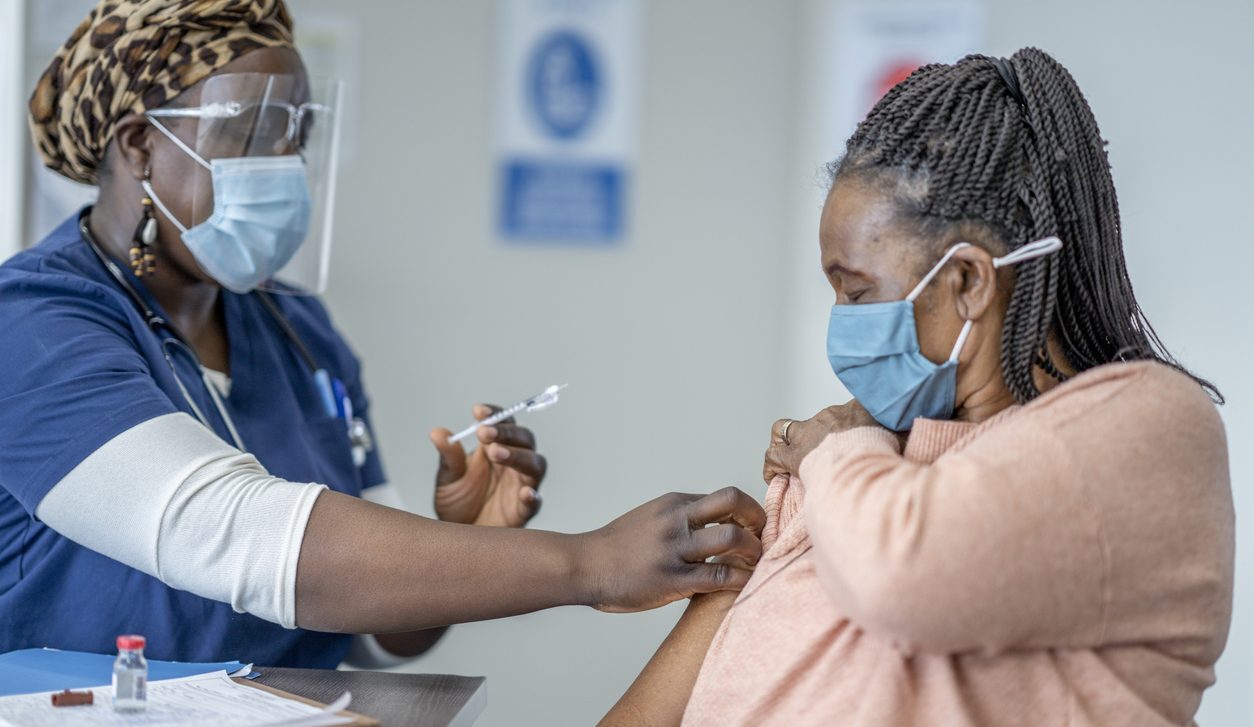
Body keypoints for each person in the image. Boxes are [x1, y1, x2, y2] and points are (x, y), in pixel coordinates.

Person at [0, 0, 767, 669]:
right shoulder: (32, 326)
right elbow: (239, 535)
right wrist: (590, 562)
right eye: (256, 130)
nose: (284, 163)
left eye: (297, 132)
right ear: (139, 146)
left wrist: (464, 537)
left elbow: (375, 637)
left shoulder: (298, 329)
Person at [603, 48, 1234, 726]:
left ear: (966, 283)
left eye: (857, 292)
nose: (843, 328)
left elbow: (902, 573)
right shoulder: (877, 462)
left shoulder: (1150, 424)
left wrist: (832, 452)